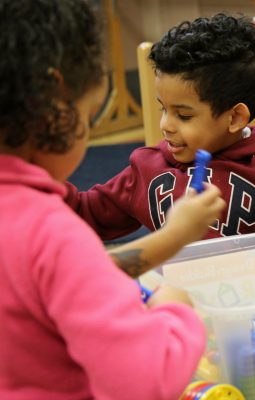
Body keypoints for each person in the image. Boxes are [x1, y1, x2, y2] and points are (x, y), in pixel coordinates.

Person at [0, 0, 226, 398]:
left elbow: (57, 279)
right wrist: (176, 312)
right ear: (57, 106)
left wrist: (171, 238)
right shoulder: (54, 234)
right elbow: (145, 382)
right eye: (89, 116)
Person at [65, 13, 255, 244]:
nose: (165, 126)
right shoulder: (148, 168)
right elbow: (85, 212)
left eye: (183, 115)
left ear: (234, 118)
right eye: (163, 109)